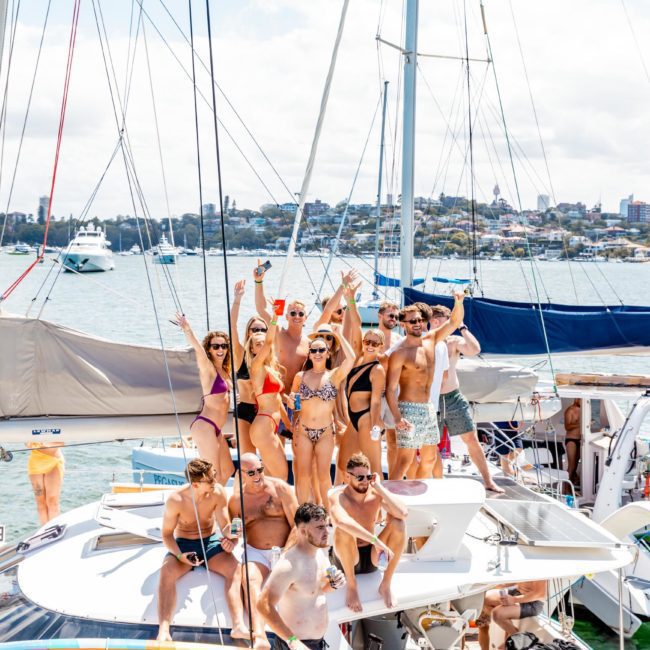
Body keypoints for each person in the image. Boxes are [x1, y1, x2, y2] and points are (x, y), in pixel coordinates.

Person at [156, 459, 248, 642]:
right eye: (211, 480)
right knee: (166, 572)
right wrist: (180, 556)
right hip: (184, 544)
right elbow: (166, 535)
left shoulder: (218, 492)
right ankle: (164, 630)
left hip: (211, 542)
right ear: (195, 484)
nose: (215, 481)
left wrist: (235, 538)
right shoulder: (176, 500)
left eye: (214, 476)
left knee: (236, 569)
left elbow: (227, 527)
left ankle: (238, 626)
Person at [385, 292, 464, 480]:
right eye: (412, 321)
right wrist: (397, 418)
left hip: (428, 408)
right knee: (404, 460)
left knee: (429, 458)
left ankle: (416, 488)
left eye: (420, 320)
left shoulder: (431, 341)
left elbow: (453, 322)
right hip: (408, 409)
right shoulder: (400, 353)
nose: (418, 324)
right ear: (403, 324)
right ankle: (390, 500)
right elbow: (389, 389)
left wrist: (458, 302)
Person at [428, 306, 504, 493]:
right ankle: (439, 483)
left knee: (471, 438)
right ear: (437, 321)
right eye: (450, 319)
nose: (452, 322)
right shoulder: (426, 341)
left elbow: (474, 349)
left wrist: (462, 327)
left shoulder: (453, 341)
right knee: (431, 444)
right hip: (432, 400)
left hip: (453, 397)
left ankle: (488, 481)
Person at [229, 453, 299, 649]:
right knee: (249, 579)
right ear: (241, 474)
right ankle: (259, 636)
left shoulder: (281, 489)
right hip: (255, 551)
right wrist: (232, 539)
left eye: (260, 470)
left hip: (286, 548)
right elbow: (234, 533)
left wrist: (286, 552)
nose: (257, 475)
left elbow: (297, 524)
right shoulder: (236, 500)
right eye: (251, 472)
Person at [257, 503, 345, 650]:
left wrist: (334, 583)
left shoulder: (320, 553)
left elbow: (321, 589)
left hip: (318, 643)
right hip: (294, 645)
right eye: (320, 528)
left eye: (327, 526)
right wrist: (293, 641)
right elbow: (263, 605)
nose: (327, 532)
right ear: (303, 531)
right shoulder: (288, 565)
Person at [329, 453, 407, 612]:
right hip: (346, 559)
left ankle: (385, 584)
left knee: (398, 524)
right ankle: (352, 586)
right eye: (360, 477)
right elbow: (340, 521)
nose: (365, 481)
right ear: (347, 476)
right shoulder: (339, 497)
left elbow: (403, 513)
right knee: (344, 529)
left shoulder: (375, 494)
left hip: (371, 556)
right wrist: (376, 541)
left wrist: (379, 487)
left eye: (368, 477)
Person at [289, 330, 355, 505]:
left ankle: (329, 512)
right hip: (303, 431)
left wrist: (339, 335)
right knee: (304, 475)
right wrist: (290, 403)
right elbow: (293, 402)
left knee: (324, 475)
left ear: (327, 353)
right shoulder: (300, 377)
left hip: (326, 432)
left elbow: (351, 359)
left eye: (321, 350)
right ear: (309, 354)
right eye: (314, 350)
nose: (317, 354)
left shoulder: (334, 375)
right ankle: (303, 512)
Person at [175, 314, 234, 485]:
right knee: (212, 475)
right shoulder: (208, 369)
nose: (220, 349)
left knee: (228, 470)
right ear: (209, 349)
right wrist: (187, 329)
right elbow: (197, 350)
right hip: (205, 425)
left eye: (224, 346)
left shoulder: (225, 371)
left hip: (216, 428)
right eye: (215, 346)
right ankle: (209, 509)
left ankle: (215, 505)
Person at [253, 262, 310, 393]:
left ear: (305, 317)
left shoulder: (309, 343)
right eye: (293, 313)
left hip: (297, 398)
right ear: (286, 316)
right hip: (277, 396)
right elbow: (261, 309)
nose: (297, 316)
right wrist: (258, 282)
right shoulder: (278, 333)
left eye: (301, 313)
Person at [246, 318, 290, 481]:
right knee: (281, 476)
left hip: (271, 424)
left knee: (273, 478)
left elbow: (277, 400)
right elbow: (270, 341)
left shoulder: (269, 368)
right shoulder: (256, 366)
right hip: (263, 425)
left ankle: (269, 506)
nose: (264, 345)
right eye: (258, 344)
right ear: (251, 348)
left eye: (264, 343)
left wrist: (289, 425)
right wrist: (274, 317)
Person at [231, 279, 269, 454]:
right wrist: (237, 300)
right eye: (255, 329)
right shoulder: (240, 355)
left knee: (271, 464)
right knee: (249, 461)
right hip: (245, 412)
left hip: (267, 413)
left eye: (263, 329)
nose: (259, 332)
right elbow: (232, 329)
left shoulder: (272, 359)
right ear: (248, 332)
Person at [343, 330, 386, 474]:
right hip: (353, 419)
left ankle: (381, 496)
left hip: (366, 419)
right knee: (343, 463)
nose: (370, 346)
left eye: (375, 343)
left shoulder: (377, 369)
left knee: (374, 468)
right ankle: (348, 495)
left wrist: (375, 424)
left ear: (381, 346)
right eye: (367, 342)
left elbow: (375, 401)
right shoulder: (358, 360)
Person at [477, 581, 547, 650]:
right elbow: (518, 581)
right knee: (485, 597)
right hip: (517, 592)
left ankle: (517, 638)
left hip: (532, 603)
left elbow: (540, 594)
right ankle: (509, 633)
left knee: (497, 614)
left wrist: (514, 599)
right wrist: (496, 585)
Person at [377, 301, 403, 475]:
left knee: (393, 440)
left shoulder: (399, 340)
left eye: (396, 316)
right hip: (375, 392)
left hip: (394, 392)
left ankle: (393, 480)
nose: (394, 319)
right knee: (373, 437)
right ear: (380, 316)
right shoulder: (372, 338)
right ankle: (374, 476)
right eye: (390, 315)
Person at [26, 442, 64, 524]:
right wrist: (38, 445)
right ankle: (45, 532)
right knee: (40, 503)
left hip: (54, 461)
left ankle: (54, 529)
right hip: (35, 464)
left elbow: (57, 446)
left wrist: (36, 445)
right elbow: (26, 442)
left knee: (52, 500)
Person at [564, 399, 581, 485]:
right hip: (571, 440)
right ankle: (565, 488)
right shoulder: (570, 410)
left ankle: (570, 485)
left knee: (575, 466)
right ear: (577, 398)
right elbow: (567, 427)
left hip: (580, 440)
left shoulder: (584, 410)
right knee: (572, 466)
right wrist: (581, 423)